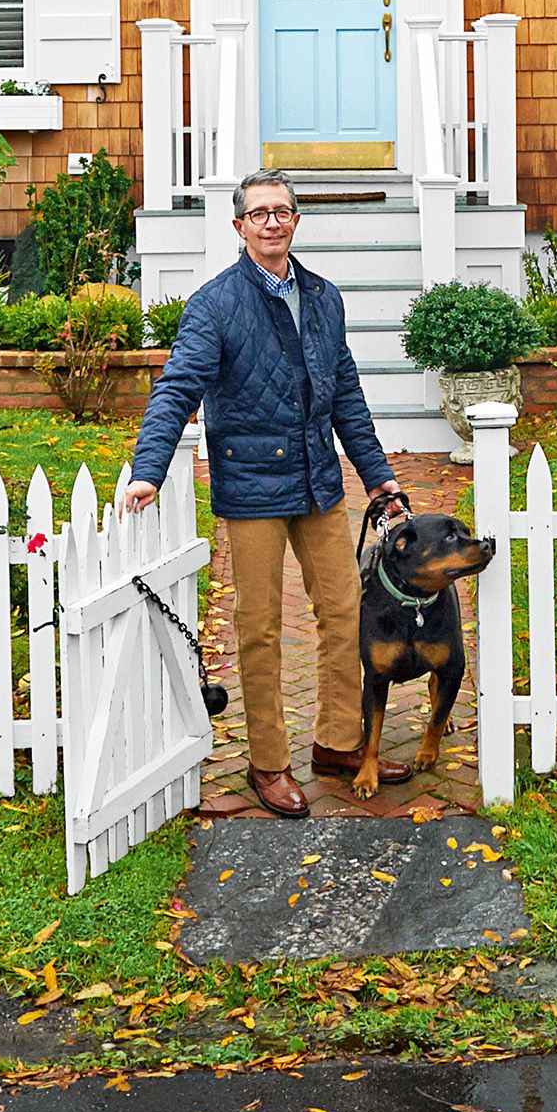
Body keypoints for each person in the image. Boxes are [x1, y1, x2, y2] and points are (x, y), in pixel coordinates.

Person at [123, 168, 412, 817]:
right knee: (258, 630)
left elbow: (346, 396)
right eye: (260, 213)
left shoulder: (324, 296)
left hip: (318, 483)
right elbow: (177, 387)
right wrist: (149, 467)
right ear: (239, 226)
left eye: (283, 211)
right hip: (252, 490)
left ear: (296, 220)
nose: (273, 221)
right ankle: (268, 762)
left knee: (344, 614)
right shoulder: (215, 303)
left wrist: (378, 476)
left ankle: (338, 745)